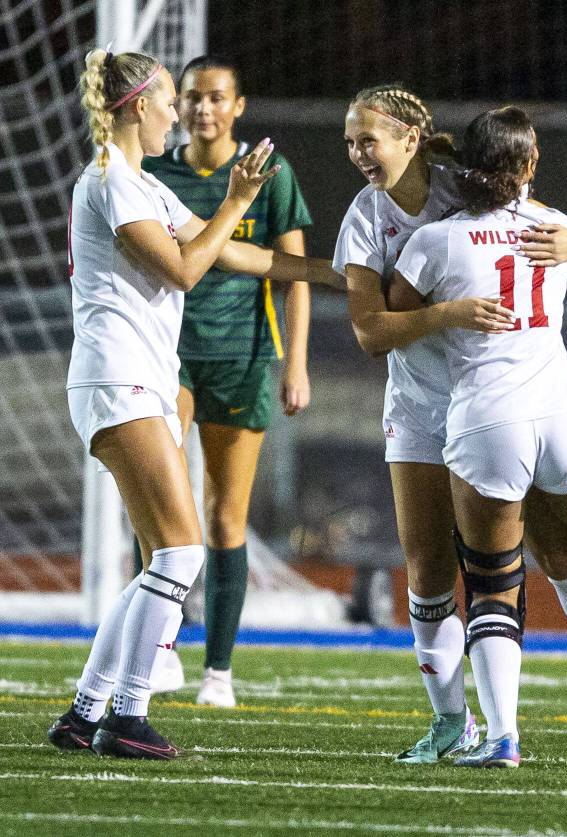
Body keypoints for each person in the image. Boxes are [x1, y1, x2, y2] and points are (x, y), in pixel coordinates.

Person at [336, 85, 567, 766]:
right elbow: (373, 331)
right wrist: (448, 314)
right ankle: (452, 721)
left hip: (485, 411)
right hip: (432, 410)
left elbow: (561, 226)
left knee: (523, 561)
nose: (358, 154)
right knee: (430, 573)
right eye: (349, 142)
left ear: (411, 137)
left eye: (368, 139)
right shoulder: (368, 216)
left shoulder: (460, 198)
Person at [47, 48, 339, 760]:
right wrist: (236, 203)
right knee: (180, 550)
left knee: (165, 558)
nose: (179, 113)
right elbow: (184, 268)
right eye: (172, 100)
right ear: (139, 106)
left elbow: (241, 255)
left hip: (131, 381)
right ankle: (129, 713)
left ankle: (87, 713)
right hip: (119, 380)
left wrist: (348, 277)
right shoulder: (113, 182)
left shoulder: (144, 186)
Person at [142, 55, 313, 707]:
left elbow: (292, 272)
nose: (204, 109)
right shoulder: (152, 170)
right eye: (192, 98)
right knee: (156, 507)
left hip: (242, 357)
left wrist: (295, 363)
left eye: (217, 98)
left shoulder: (269, 173)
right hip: (167, 356)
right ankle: (159, 651)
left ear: (238, 106)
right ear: (177, 105)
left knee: (224, 516)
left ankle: (217, 670)